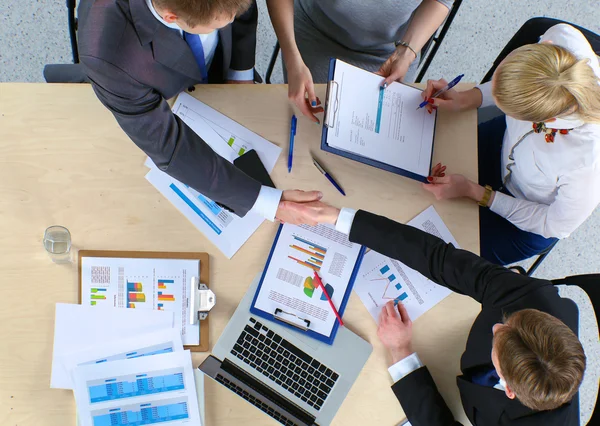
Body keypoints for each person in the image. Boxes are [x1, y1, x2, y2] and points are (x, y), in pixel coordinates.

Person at [285, 201, 585, 425]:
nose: (495, 326)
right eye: (507, 322)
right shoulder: (534, 299)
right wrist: (343, 220)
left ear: (508, 389)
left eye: (499, 339)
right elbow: (441, 259)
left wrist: (402, 352)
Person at [77, 0, 320, 225]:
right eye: (222, 21)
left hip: (217, 74)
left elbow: (240, 13)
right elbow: (169, 146)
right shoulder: (108, 55)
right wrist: (267, 203)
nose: (233, 19)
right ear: (171, 17)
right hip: (163, 91)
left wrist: (240, 73)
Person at [420, 24, 600, 265]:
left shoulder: (589, 164)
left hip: (525, 218)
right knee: (418, 171)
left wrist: (477, 193)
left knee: (442, 260)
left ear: (546, 119)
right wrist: (467, 98)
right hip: (499, 144)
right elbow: (509, 83)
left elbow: (551, 223)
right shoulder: (560, 37)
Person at [266, 0, 454, 123]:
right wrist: (292, 57)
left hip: (393, 50)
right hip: (317, 31)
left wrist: (406, 52)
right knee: (308, 126)